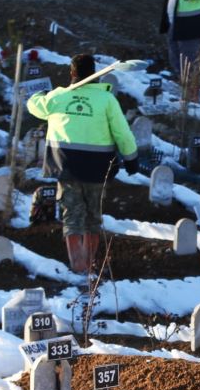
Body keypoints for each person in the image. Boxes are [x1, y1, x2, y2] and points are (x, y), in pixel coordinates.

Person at [26, 53, 138, 275]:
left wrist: (42, 94)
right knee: (92, 217)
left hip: (67, 168)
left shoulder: (57, 98)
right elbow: (122, 133)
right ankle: (90, 265)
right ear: (95, 74)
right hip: (97, 169)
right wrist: (131, 157)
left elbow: (33, 105)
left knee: (72, 217)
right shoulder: (107, 100)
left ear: (72, 73)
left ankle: (78, 266)